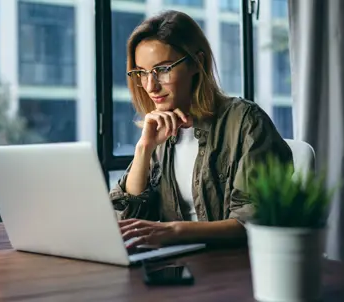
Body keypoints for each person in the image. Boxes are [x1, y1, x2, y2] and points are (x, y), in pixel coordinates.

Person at [109, 10, 293, 248]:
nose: (150, 86)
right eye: (141, 73)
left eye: (163, 69)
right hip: (176, 265)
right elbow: (126, 220)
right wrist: (144, 148)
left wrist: (175, 231)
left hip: (233, 267)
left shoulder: (246, 122)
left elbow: (254, 221)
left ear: (198, 63)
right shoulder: (160, 130)